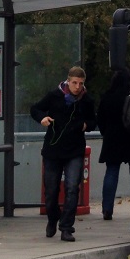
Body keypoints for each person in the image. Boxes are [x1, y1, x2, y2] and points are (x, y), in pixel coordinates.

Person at [30, 65, 96, 242]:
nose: (77, 87)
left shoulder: (86, 100)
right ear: (68, 81)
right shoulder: (55, 95)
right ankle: (53, 218)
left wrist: (85, 125)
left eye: (80, 84)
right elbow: (35, 109)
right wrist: (42, 119)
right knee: (51, 191)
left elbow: (93, 121)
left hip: (74, 150)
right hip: (53, 149)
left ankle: (66, 227)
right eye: (74, 83)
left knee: (72, 187)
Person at [98, 66, 130, 238]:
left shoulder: (107, 97)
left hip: (112, 140)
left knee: (111, 172)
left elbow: (100, 120)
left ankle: (107, 208)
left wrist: (107, 133)